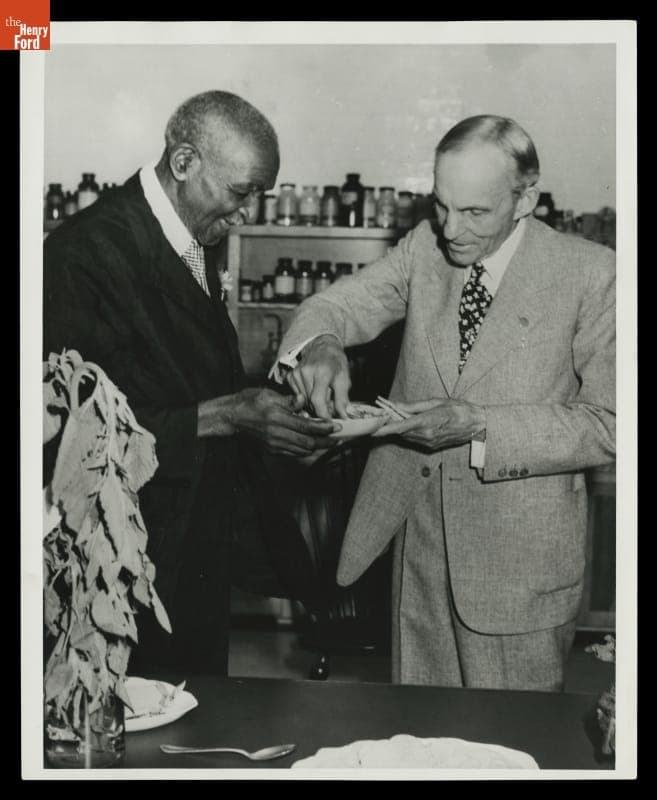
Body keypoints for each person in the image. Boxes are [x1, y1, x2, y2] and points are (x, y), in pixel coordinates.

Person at [275, 115, 615, 691]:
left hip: (519, 567)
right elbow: (332, 307)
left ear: (526, 197)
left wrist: (479, 426)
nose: (451, 229)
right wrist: (322, 345)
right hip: (418, 549)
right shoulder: (423, 250)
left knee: (512, 747)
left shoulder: (592, 275)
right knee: (420, 739)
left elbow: (609, 424)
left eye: (475, 213)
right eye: (441, 206)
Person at [43, 90, 338, 675]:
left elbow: (184, 368)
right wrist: (229, 415)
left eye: (259, 194)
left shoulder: (195, 230)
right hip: (125, 559)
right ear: (183, 163)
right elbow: (69, 432)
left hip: (194, 544)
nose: (247, 213)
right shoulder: (82, 253)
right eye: (240, 192)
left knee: (194, 723)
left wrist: (270, 412)